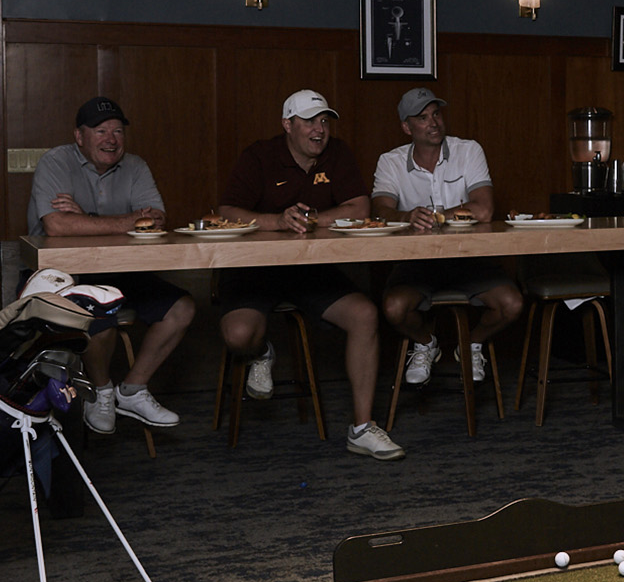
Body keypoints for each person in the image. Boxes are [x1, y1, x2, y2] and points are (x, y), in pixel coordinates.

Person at [216, 89, 401, 461]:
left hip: (311, 270)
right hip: (254, 272)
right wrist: (277, 221)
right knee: (239, 335)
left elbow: (360, 207)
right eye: (310, 122)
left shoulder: (338, 153)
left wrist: (313, 218)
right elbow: (226, 211)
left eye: (324, 121)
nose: (320, 130)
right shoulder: (260, 155)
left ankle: (362, 428)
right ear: (288, 125)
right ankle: (261, 352)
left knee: (365, 314)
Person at [26, 96, 196, 436]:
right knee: (98, 322)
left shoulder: (136, 166)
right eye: (101, 131)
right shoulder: (55, 162)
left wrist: (87, 218)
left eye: (118, 131)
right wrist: (130, 220)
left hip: (121, 272)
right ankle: (101, 392)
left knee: (182, 309)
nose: (111, 139)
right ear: (79, 136)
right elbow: (57, 226)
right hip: (64, 278)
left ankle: (132, 390)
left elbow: (156, 220)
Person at [371, 87, 524, 385]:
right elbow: (380, 211)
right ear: (406, 127)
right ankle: (426, 343)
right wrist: (406, 216)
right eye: (422, 117)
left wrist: (435, 216)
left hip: (470, 259)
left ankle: (471, 344)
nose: (433, 122)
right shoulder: (390, 161)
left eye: (436, 114)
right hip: (416, 263)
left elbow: (484, 209)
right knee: (393, 309)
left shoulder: (468, 150)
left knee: (513, 304)